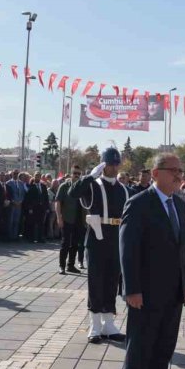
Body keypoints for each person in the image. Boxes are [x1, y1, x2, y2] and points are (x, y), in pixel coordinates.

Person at [120, 152, 185, 369]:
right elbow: (128, 251)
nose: (179, 175)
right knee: (140, 347)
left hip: (174, 292)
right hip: (145, 293)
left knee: (164, 349)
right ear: (155, 173)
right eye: (173, 170)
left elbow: (183, 248)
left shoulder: (180, 203)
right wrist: (132, 289)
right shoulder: (139, 204)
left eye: (181, 170)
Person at [70, 147, 130, 343]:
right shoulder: (93, 185)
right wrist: (88, 176)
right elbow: (73, 193)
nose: (113, 168)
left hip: (116, 239)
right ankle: (95, 326)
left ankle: (109, 324)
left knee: (112, 281)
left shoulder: (123, 189)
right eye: (109, 164)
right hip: (96, 239)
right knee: (96, 282)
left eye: (115, 164)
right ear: (103, 165)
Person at [55, 166, 83, 274]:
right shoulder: (64, 186)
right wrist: (59, 217)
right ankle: (61, 266)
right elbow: (57, 202)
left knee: (75, 244)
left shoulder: (82, 187)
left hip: (78, 219)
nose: (77, 175)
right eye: (75, 173)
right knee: (65, 243)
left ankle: (70, 265)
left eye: (78, 174)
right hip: (66, 218)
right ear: (71, 174)